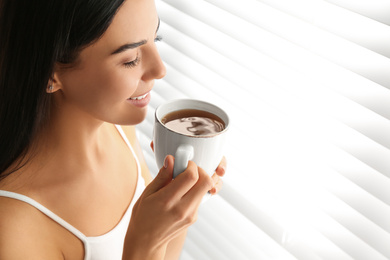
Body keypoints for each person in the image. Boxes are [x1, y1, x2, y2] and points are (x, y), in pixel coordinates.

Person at [0, 0, 226, 259]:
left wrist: (181, 199)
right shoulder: (12, 226)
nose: (160, 69)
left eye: (156, 38)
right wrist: (144, 246)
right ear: (51, 74)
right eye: (130, 60)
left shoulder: (119, 130)